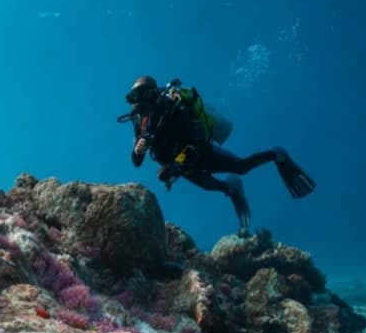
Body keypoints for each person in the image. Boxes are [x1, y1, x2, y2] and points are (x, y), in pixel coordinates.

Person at [118, 75, 315, 235]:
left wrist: (173, 168)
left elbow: (195, 145)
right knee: (212, 186)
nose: (138, 102)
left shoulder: (175, 108)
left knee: (242, 167)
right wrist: (138, 150)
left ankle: (276, 154)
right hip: (179, 166)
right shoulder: (140, 121)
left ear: (152, 93)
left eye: (142, 94)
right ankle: (233, 189)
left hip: (201, 153)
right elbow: (136, 161)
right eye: (134, 96)